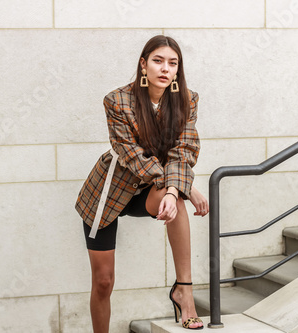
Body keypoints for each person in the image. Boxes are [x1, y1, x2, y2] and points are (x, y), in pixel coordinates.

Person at [75, 35, 209, 332]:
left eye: (173, 63)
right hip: (108, 193)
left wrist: (177, 190)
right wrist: (186, 185)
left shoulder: (187, 99)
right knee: (103, 281)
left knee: (176, 198)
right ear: (143, 64)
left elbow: (183, 150)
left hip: (149, 191)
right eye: (158, 61)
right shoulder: (117, 100)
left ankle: (184, 293)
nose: (165, 69)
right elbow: (133, 156)